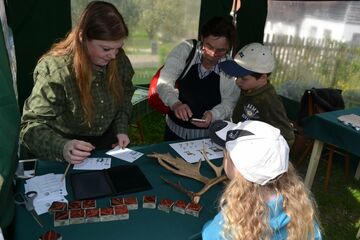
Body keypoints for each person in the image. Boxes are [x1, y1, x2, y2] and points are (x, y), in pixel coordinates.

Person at [20, 1, 134, 164]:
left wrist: (120, 129)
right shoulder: (57, 71)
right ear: (82, 38)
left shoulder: (119, 60)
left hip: (107, 146)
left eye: (118, 48)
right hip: (67, 149)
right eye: (106, 49)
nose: (113, 56)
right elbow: (30, 126)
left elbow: (125, 96)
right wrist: (63, 147)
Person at [203, 120, 322, 240]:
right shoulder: (301, 214)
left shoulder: (227, 226)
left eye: (225, 153)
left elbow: (209, 235)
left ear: (236, 168)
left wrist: (208, 226)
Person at [156, 16, 240, 141]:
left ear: (228, 49)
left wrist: (213, 115)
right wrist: (175, 103)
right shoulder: (186, 50)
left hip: (207, 138)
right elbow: (164, 83)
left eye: (221, 50)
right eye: (209, 46)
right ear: (202, 38)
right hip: (174, 131)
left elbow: (230, 102)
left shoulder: (229, 67)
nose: (213, 54)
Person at [219, 42, 295, 147]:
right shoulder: (249, 89)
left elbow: (288, 137)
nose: (237, 82)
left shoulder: (269, 102)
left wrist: (263, 153)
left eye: (244, 78)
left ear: (262, 78)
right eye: (237, 76)